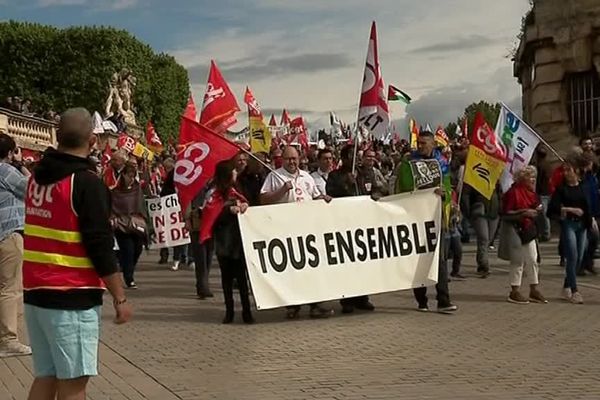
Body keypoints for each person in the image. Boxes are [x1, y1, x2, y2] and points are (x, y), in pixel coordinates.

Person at [23, 108, 132, 400]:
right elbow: (100, 245)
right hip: (71, 295)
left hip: (36, 291)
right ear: (93, 140)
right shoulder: (85, 183)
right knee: (74, 384)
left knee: (46, 376)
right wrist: (120, 296)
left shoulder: (36, 179)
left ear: (56, 137)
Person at [260, 146, 334, 319]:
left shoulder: (306, 177)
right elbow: (263, 199)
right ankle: (293, 305)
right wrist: (282, 190)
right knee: (292, 270)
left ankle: (315, 304)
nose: (292, 162)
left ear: (299, 159)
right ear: (282, 160)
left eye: (294, 158)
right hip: (286, 231)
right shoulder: (275, 176)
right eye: (288, 159)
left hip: (307, 231)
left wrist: (324, 198)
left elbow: (315, 196)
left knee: (311, 269)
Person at [394, 130, 457, 313]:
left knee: (440, 261)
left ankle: (443, 300)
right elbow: (403, 187)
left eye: (424, 143)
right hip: (416, 218)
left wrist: (444, 195)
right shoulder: (408, 163)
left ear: (432, 144)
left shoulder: (442, 163)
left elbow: (446, 187)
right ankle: (421, 299)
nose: (420, 146)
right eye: (418, 143)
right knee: (418, 260)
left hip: (436, 218)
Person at [200, 160, 253, 324]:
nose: (236, 173)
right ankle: (229, 311)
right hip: (224, 241)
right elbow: (210, 214)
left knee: (242, 279)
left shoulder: (235, 190)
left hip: (238, 241)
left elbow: (246, 201)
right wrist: (227, 210)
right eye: (233, 171)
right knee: (227, 279)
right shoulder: (214, 193)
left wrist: (244, 205)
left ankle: (247, 312)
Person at [326, 145, 376, 313]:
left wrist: (377, 195)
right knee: (346, 263)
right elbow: (331, 195)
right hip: (343, 225)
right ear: (345, 158)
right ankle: (347, 299)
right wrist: (346, 185)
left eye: (359, 156)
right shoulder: (334, 176)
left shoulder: (366, 173)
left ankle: (362, 297)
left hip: (363, 224)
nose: (358, 160)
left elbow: (375, 189)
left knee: (363, 262)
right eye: (354, 157)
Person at [0, 134, 32, 357]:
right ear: (10, 153)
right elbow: (31, 190)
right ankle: (8, 339)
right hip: (8, 233)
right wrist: (25, 169)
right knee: (10, 289)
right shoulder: (6, 170)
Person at [499, 166, 547, 304]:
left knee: (532, 258)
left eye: (533, 177)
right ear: (521, 178)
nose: (532, 179)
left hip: (528, 229)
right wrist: (524, 212)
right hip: (515, 229)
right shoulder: (513, 193)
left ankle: (534, 289)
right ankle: (514, 291)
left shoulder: (532, 193)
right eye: (529, 176)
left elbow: (537, 207)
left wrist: (537, 210)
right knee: (517, 260)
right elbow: (506, 213)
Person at [547, 157, 590, 304]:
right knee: (572, 256)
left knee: (579, 257)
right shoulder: (561, 189)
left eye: (568, 170)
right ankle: (574, 290)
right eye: (564, 170)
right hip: (568, 225)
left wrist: (592, 222)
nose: (565, 173)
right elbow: (551, 209)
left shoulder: (583, 186)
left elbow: (588, 207)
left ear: (576, 171)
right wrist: (568, 209)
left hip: (582, 225)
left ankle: (566, 285)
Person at [111, 163, 147, 289]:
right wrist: (113, 218)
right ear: (124, 175)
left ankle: (126, 265)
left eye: (133, 176)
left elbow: (142, 206)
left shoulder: (137, 190)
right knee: (128, 250)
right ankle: (129, 278)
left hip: (136, 225)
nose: (131, 179)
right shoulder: (115, 191)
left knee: (137, 250)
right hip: (122, 226)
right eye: (129, 176)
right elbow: (111, 207)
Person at [461, 183, 501, 278]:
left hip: (494, 211)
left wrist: (501, 208)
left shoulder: (494, 178)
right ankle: (483, 265)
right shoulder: (472, 178)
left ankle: (482, 261)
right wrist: (468, 213)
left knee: (488, 240)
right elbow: (465, 196)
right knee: (484, 238)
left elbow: (500, 194)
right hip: (479, 211)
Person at [185, 184, 214, 299]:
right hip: (197, 223)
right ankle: (203, 287)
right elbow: (186, 201)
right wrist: (187, 219)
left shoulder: (215, 186)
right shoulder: (193, 183)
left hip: (212, 224)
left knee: (209, 256)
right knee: (201, 256)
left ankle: (203, 283)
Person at [159, 158, 188, 270]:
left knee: (177, 233)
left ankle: (178, 257)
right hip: (173, 206)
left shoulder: (173, 175)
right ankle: (180, 257)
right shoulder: (177, 174)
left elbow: (167, 191)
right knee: (178, 233)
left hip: (174, 207)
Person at [580, 153, 599, 275]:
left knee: (594, 240)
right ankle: (581, 265)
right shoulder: (581, 178)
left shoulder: (593, 177)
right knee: (585, 242)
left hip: (595, 211)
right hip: (585, 213)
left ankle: (588, 263)